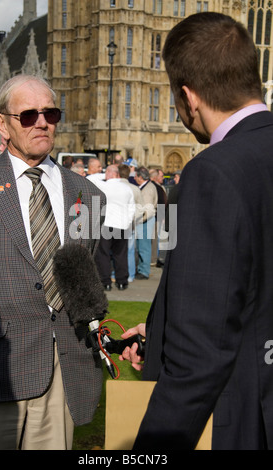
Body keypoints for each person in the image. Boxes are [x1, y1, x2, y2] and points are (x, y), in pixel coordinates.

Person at [121, 12, 273, 450]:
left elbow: (199, 360)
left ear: (188, 97)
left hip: (241, 419)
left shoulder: (213, 173)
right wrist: (164, 330)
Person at [0, 74, 106, 450]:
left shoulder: (87, 193)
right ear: (2, 123)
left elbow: (84, 277)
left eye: (51, 112)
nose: (42, 121)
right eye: (28, 115)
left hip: (64, 372)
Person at [93, 165, 135, 291]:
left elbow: (90, 178)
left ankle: (105, 282)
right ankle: (122, 281)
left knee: (103, 255)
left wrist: (105, 175)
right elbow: (132, 207)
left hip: (106, 224)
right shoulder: (126, 188)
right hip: (121, 225)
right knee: (120, 255)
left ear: (109, 174)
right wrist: (127, 222)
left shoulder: (103, 185)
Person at [118, 164, 144, 282]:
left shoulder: (114, 187)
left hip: (116, 223)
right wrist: (133, 218)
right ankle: (130, 275)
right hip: (130, 223)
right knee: (129, 250)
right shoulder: (135, 188)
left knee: (117, 251)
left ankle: (117, 273)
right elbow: (141, 208)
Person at [134, 166, 158, 280]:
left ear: (140, 177)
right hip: (145, 220)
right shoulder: (147, 187)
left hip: (145, 221)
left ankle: (144, 271)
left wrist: (138, 220)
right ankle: (142, 269)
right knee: (142, 246)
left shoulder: (148, 189)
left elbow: (147, 209)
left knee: (144, 247)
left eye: (135, 176)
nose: (134, 178)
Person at [149, 169, 168, 267]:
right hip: (155, 215)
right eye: (161, 176)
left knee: (156, 238)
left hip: (159, 216)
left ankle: (154, 257)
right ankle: (153, 259)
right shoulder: (154, 187)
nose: (163, 178)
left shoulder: (160, 187)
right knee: (154, 238)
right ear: (155, 177)